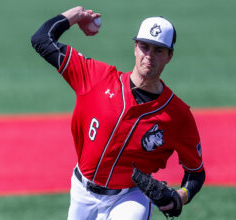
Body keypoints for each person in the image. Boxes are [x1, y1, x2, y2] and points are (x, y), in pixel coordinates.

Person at [31, 6, 205, 220]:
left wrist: (181, 196)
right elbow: (41, 39)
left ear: (169, 56)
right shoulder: (96, 78)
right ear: (135, 47)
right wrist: (76, 15)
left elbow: (196, 172)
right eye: (145, 47)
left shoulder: (177, 115)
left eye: (158, 50)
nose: (149, 56)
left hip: (130, 198)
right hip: (81, 191)